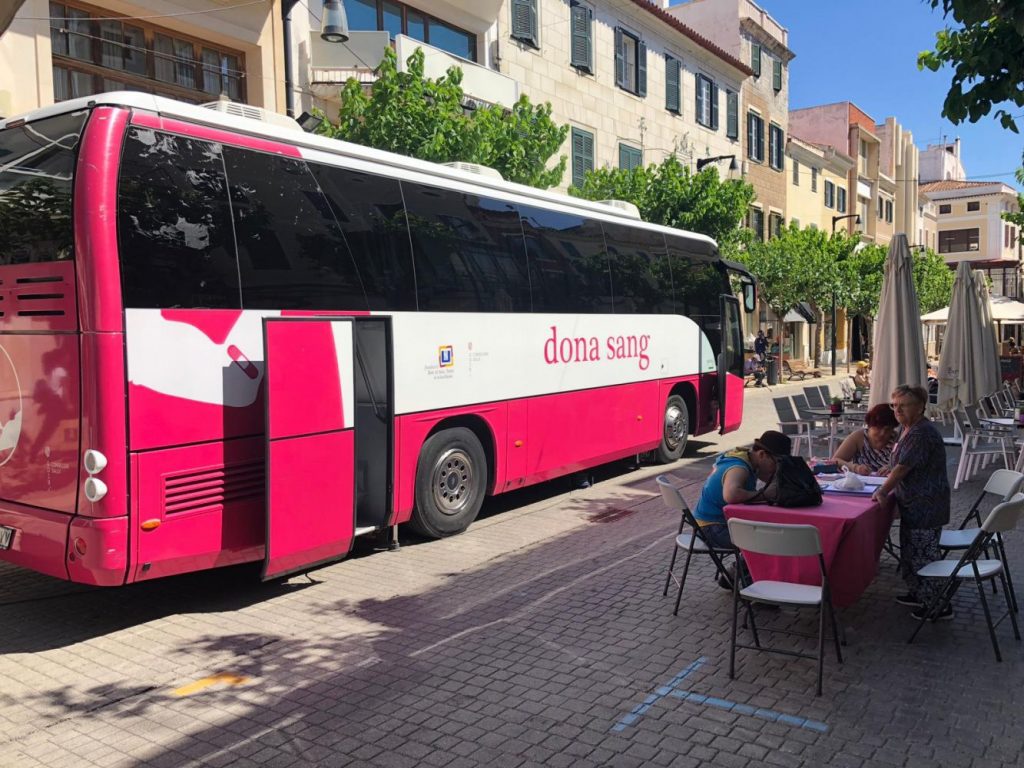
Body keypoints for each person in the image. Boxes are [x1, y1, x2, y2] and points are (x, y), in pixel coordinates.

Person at [871, 384, 951, 620]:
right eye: (894, 405)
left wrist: (883, 492)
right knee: (911, 551)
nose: (897, 410)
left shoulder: (921, 433)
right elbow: (902, 462)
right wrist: (890, 467)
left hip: (925, 503)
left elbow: (904, 468)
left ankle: (937, 605)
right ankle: (918, 592)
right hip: (913, 503)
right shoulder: (909, 428)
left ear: (920, 407)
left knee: (923, 554)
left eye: (903, 405)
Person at [694, 430, 792, 550]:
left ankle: (746, 567)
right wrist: (765, 494)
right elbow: (731, 495)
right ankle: (743, 568)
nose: (777, 469)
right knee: (769, 542)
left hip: (715, 523)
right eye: (776, 463)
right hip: (712, 528)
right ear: (762, 454)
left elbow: (767, 480)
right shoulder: (739, 467)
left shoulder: (746, 458)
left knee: (770, 531)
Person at [830, 403, 898, 475]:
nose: (882, 433)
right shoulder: (858, 437)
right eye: (878, 428)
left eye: (888, 430)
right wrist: (855, 468)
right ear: (870, 425)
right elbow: (835, 460)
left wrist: (892, 466)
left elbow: (905, 463)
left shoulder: (897, 439)